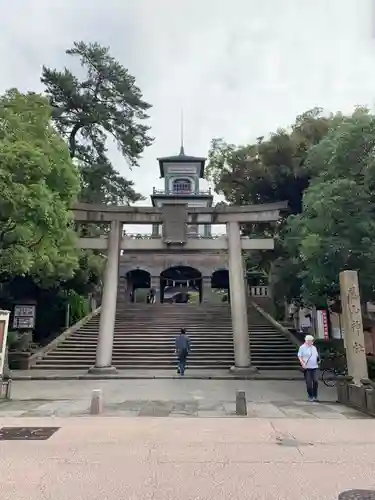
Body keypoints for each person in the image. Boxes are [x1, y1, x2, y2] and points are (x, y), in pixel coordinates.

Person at [298, 334, 320, 402]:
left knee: (316, 381)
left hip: (315, 367)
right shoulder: (302, 347)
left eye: (312, 341)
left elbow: (316, 356)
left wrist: (318, 360)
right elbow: (299, 356)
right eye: (310, 341)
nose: (311, 342)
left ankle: (315, 395)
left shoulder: (314, 347)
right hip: (307, 368)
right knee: (309, 383)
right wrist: (302, 363)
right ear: (306, 341)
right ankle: (310, 396)